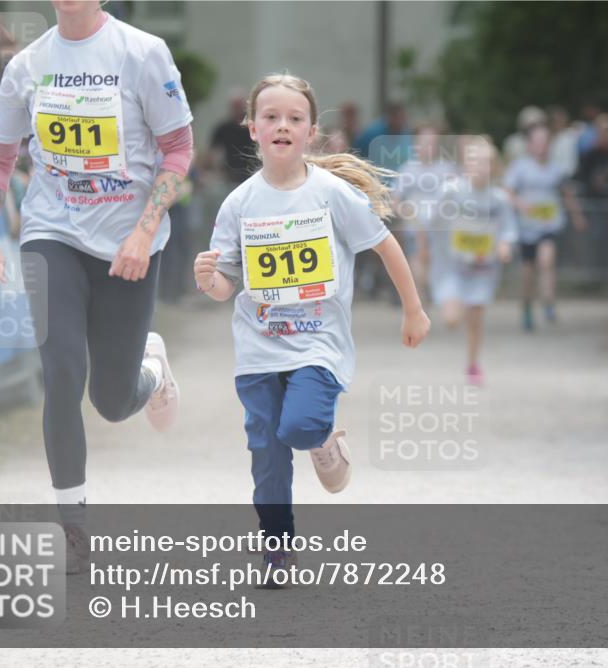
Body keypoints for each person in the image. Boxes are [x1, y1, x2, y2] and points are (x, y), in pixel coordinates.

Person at [0, 0, 195, 573]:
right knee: (63, 370)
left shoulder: (143, 52)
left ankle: (150, 368)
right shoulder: (27, 65)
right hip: (52, 233)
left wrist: (143, 235)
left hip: (128, 243)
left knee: (112, 401)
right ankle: (73, 528)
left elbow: (178, 149)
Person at [193, 73, 430, 581]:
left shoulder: (331, 194)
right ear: (252, 128)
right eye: (271, 117)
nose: (282, 125)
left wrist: (413, 308)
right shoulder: (238, 204)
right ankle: (277, 550)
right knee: (268, 458)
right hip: (258, 349)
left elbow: (385, 245)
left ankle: (324, 441)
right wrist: (209, 278)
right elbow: (224, 286)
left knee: (300, 427)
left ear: (310, 131)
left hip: (318, 346)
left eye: (294, 118)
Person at [428, 135, 516, 385]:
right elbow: (433, 218)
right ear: (466, 165)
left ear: (494, 167)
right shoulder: (452, 191)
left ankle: (473, 364)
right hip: (454, 266)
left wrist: (504, 245)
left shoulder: (499, 198)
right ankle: (454, 304)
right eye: (475, 162)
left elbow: (508, 228)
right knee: (453, 320)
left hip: (483, 268)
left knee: (476, 319)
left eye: (485, 163)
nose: (480, 168)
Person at [504, 124, 586, 331]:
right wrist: (521, 205)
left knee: (546, 261)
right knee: (528, 272)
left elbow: (567, 193)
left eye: (545, 142)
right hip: (526, 228)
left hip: (549, 225)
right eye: (537, 142)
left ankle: (548, 302)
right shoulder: (520, 168)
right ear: (530, 145)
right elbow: (507, 193)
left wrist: (577, 216)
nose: (541, 146)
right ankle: (527, 306)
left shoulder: (556, 169)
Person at [393, 124, 458, 298]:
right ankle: (421, 301)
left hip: (441, 226)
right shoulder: (407, 170)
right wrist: (406, 212)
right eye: (424, 142)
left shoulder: (448, 169)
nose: (428, 146)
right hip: (416, 226)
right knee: (418, 260)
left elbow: (459, 198)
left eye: (432, 142)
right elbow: (395, 200)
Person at [578, 113, 608, 291]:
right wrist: (595, 181)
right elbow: (582, 177)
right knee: (596, 239)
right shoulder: (590, 154)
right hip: (596, 205)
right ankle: (596, 277)